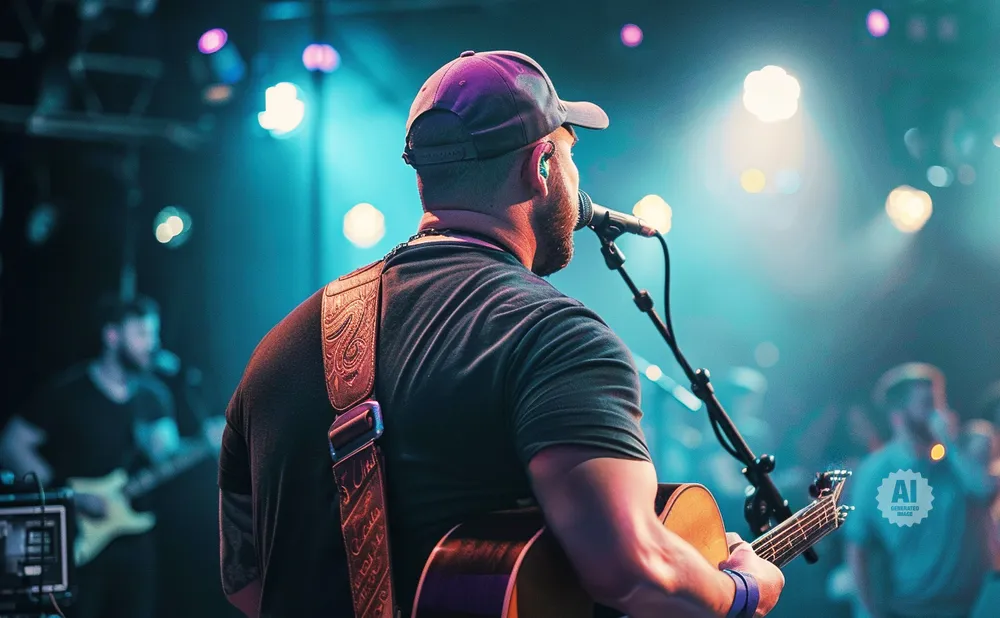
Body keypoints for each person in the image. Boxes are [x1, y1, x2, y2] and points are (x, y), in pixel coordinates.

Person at [217, 50, 785, 618]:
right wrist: (742, 591)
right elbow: (632, 569)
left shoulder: (273, 353)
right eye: (569, 154)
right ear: (540, 166)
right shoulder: (556, 335)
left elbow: (244, 583)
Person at [0, 295, 182, 618]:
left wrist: (172, 450)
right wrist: (66, 493)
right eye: (141, 334)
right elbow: (13, 444)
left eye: (154, 335)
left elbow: (168, 454)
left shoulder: (155, 397)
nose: (151, 344)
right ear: (111, 336)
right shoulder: (67, 392)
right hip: (80, 538)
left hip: (137, 537)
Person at [845, 363, 998, 618]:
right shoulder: (875, 472)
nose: (940, 413)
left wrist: (949, 444)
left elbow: (983, 492)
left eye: (941, 402)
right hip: (913, 609)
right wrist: (870, 612)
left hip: (977, 607)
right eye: (929, 403)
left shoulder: (961, 455)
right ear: (899, 413)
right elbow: (857, 547)